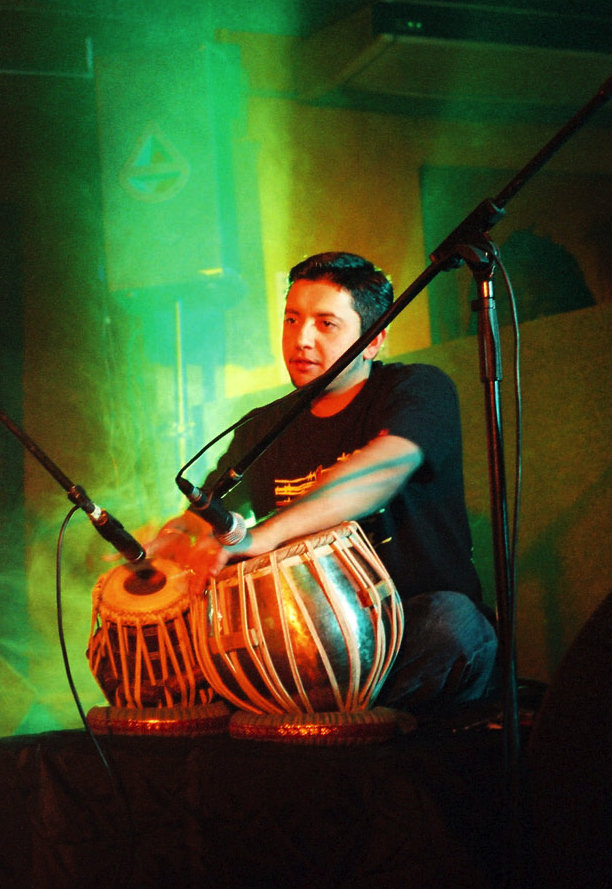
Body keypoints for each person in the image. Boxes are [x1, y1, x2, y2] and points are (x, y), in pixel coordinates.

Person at [150, 251, 498, 713]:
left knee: (450, 623)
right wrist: (170, 543)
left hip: (411, 626)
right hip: (307, 642)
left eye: (326, 324)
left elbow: (383, 468)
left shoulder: (417, 389)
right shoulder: (263, 427)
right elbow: (207, 513)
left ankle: (342, 726)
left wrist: (264, 535)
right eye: (292, 320)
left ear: (373, 341)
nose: (302, 339)